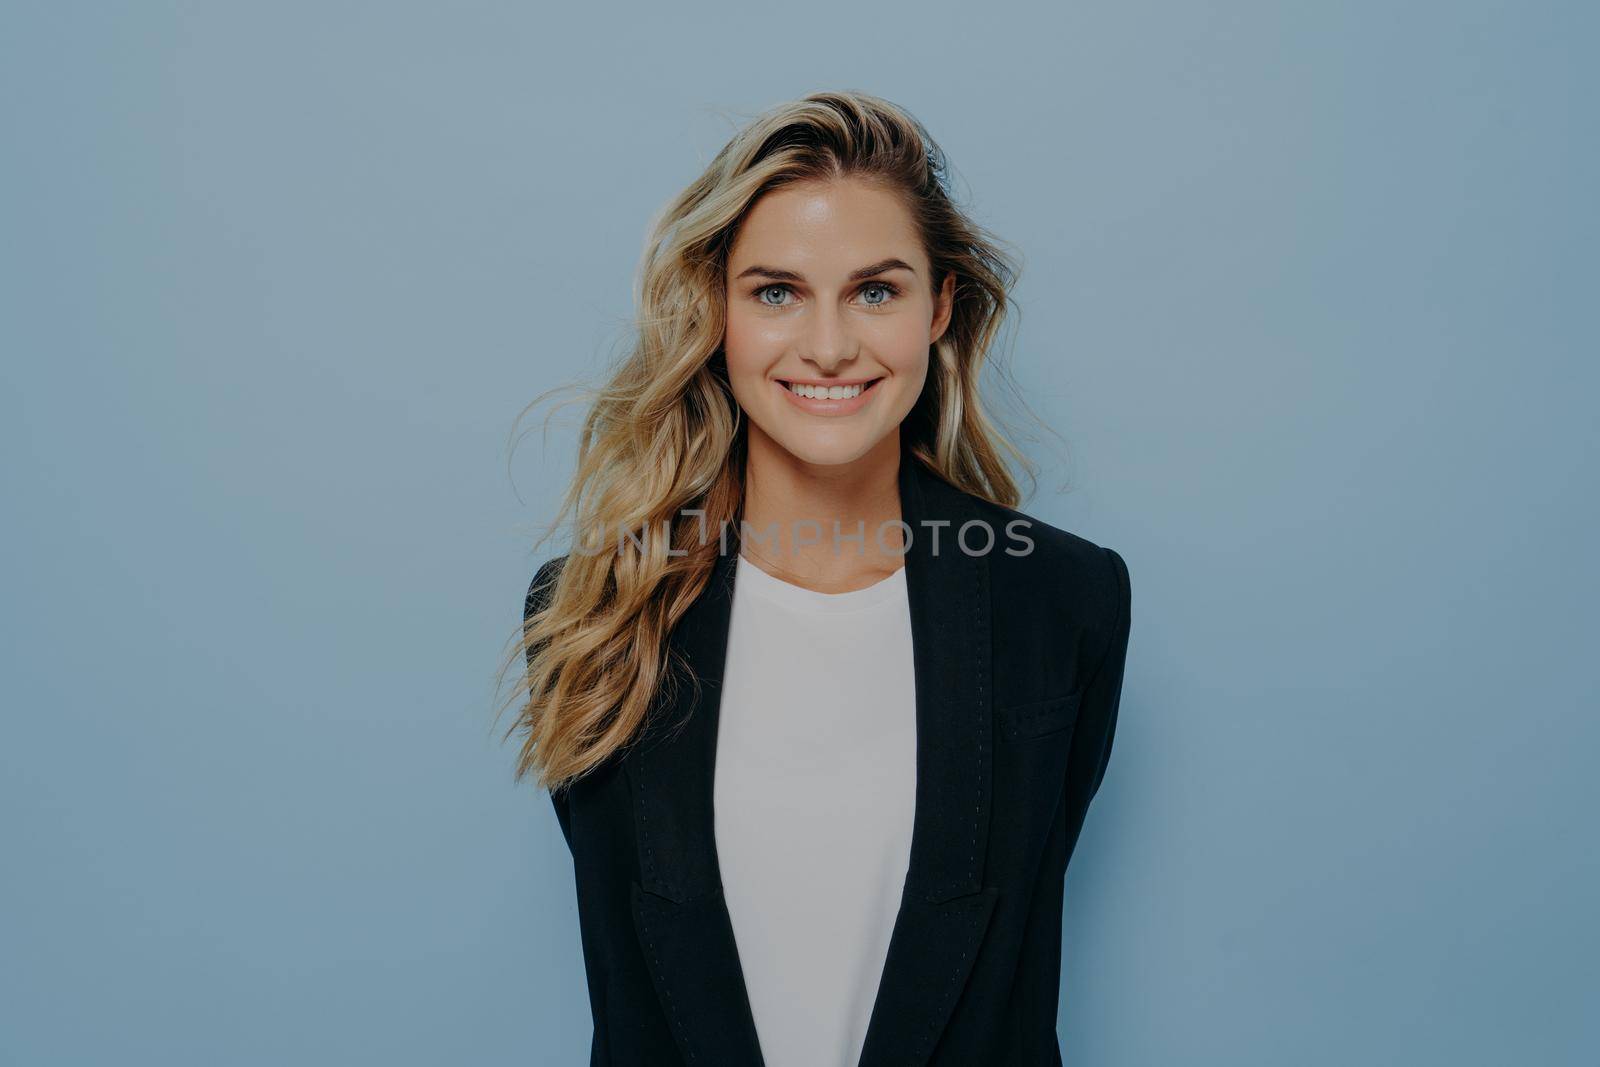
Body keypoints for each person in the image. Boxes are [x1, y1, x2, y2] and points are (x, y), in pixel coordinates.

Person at [510, 90, 1132, 1067]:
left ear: (940, 308)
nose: (831, 345)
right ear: (717, 311)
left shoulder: (1065, 602)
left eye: (876, 290)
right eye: (775, 291)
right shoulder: (591, 608)